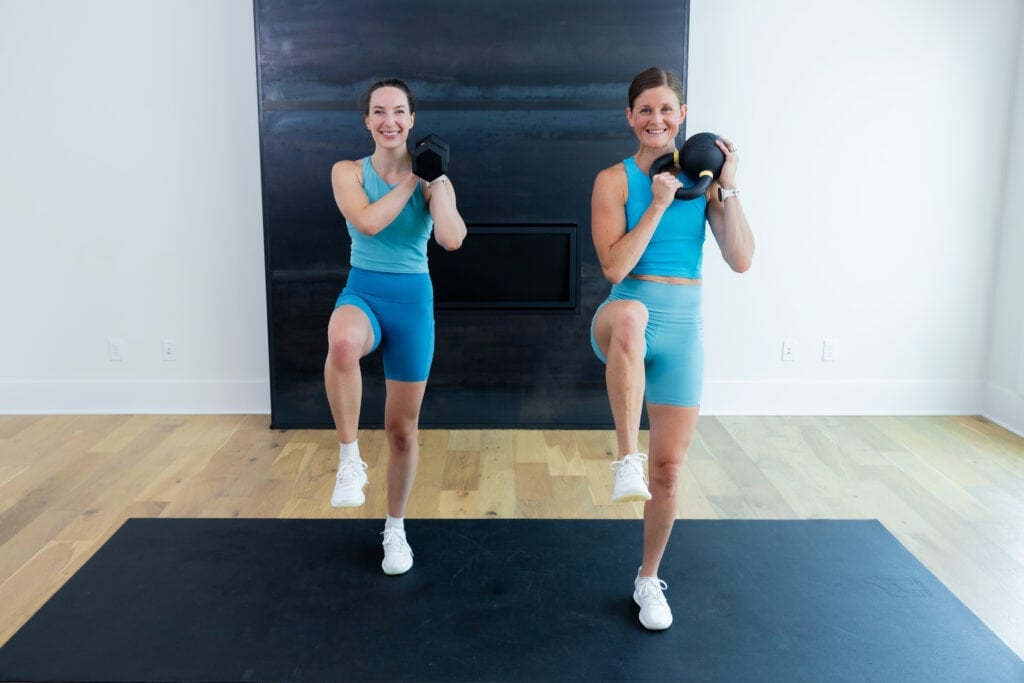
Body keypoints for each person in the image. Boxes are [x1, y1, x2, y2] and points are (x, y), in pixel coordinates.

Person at [589, 67, 754, 629]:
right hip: (624, 316)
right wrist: (657, 203)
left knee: (669, 472)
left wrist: (728, 187)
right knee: (633, 315)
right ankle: (623, 457)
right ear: (630, 118)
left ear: (682, 116)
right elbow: (614, 266)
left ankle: (647, 580)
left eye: (666, 110)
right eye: (645, 110)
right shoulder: (614, 180)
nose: (656, 119)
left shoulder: (703, 182)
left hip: (684, 330)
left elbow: (741, 259)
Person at [325, 78, 467, 575]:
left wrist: (439, 185)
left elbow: (451, 240)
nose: (389, 121)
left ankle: (395, 529)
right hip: (363, 291)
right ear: (367, 121)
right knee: (342, 343)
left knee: (402, 431)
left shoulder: (434, 179)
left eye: (399, 112)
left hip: (412, 302)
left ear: (412, 120)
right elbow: (366, 222)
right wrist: (412, 178)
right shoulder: (348, 171)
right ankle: (348, 460)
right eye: (379, 112)